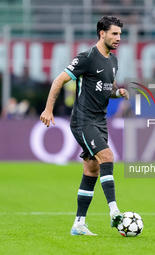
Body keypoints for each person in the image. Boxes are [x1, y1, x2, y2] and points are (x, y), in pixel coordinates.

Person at [40, 16, 129, 236]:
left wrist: (118, 92)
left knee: (92, 169)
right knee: (107, 157)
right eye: (114, 33)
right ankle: (114, 211)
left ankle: (79, 224)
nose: (118, 38)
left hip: (100, 121)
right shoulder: (87, 58)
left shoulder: (113, 61)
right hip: (83, 121)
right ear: (102, 33)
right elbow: (58, 80)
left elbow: (106, 88)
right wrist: (48, 110)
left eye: (120, 34)